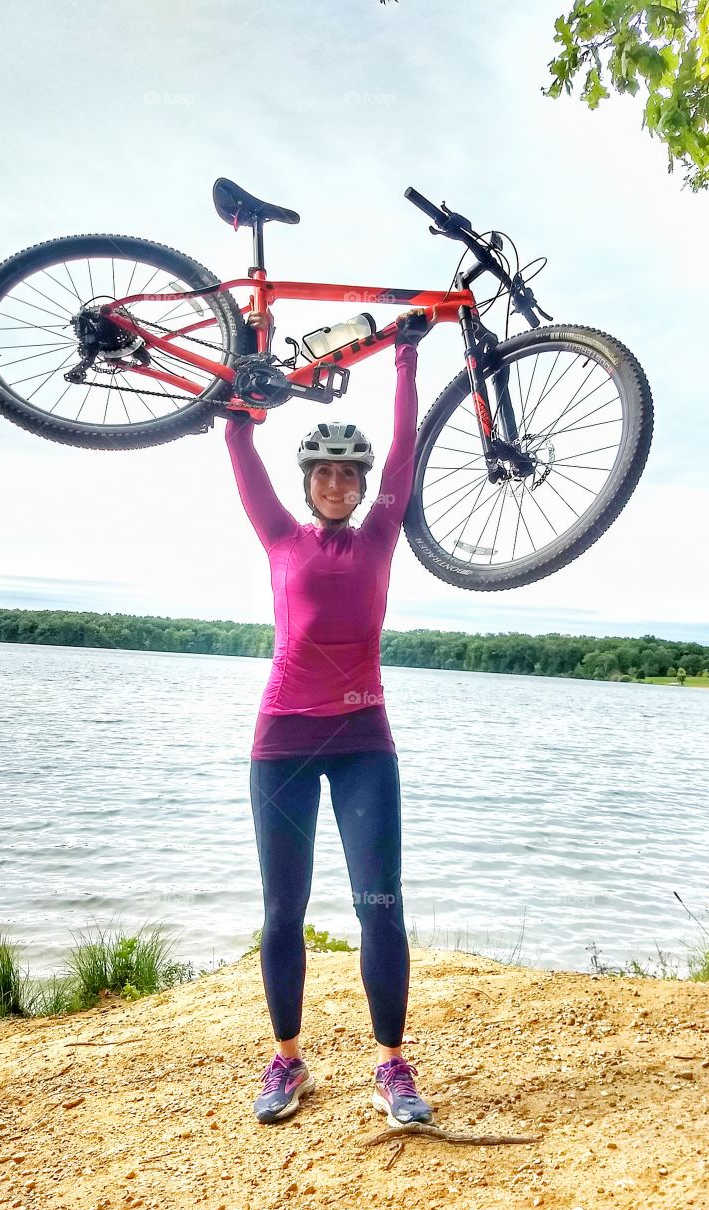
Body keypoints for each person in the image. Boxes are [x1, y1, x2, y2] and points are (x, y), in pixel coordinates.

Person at [224, 308, 434, 1126]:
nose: (339, 485)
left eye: (350, 474)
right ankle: (287, 1060)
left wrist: (406, 360)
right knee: (284, 910)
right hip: (281, 741)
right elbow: (240, 446)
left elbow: (407, 448)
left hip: (362, 741)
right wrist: (243, 386)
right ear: (308, 480)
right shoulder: (280, 536)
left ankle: (392, 1066)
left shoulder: (382, 532)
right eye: (326, 473)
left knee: (379, 903)